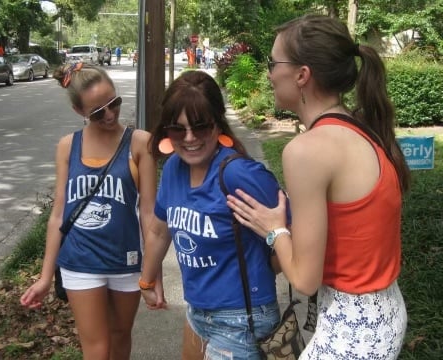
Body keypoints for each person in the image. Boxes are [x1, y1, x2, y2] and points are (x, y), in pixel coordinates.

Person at [226, 14, 410, 359]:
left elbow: (304, 279)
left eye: (272, 62)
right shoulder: (361, 128)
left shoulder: (308, 151)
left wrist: (275, 229)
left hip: (352, 328)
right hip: (381, 312)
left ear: (301, 75)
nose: (268, 73)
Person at [139, 70, 285, 359]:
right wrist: (147, 280)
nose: (190, 139)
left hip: (241, 318)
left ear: (218, 125)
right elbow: (158, 229)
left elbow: (292, 232)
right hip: (198, 311)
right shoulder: (173, 169)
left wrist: (262, 270)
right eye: (178, 130)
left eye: (200, 127)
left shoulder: (240, 174)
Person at [20, 63, 157, 360]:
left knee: (121, 337)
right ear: (79, 112)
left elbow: (148, 214)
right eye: (98, 112)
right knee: (97, 348)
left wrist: (152, 272)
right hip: (80, 262)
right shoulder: (68, 147)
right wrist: (45, 277)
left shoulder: (140, 143)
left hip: (126, 260)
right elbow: (59, 214)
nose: (109, 115)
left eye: (114, 103)